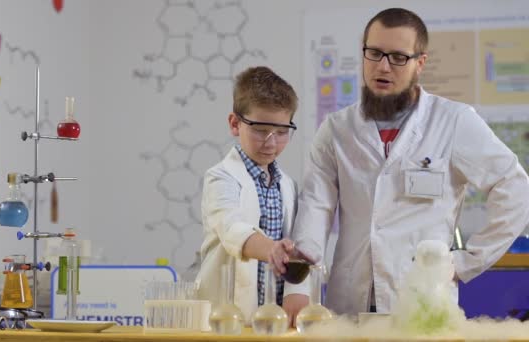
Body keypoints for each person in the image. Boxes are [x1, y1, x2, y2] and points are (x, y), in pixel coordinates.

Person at [270, 8, 529, 316]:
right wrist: (297, 289)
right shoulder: (337, 130)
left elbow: (516, 189)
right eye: (374, 53)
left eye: (398, 57)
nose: (383, 66)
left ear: (420, 63)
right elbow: (315, 209)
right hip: (350, 304)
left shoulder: (453, 122)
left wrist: (464, 261)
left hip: (422, 304)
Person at [196, 66, 309, 324]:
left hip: (273, 320)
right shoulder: (221, 177)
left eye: (282, 132)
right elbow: (232, 227)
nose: (271, 142)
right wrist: (272, 249)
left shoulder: (287, 185)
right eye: (260, 130)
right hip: (225, 318)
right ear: (235, 124)